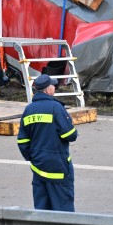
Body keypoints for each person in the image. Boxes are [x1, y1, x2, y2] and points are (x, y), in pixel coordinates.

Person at [16, 73, 79, 211]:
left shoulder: (29, 109)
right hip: (58, 167)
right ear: (47, 90)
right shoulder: (56, 108)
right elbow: (70, 135)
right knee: (63, 210)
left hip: (38, 168)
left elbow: (22, 140)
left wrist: (33, 156)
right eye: (53, 86)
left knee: (42, 210)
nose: (55, 88)